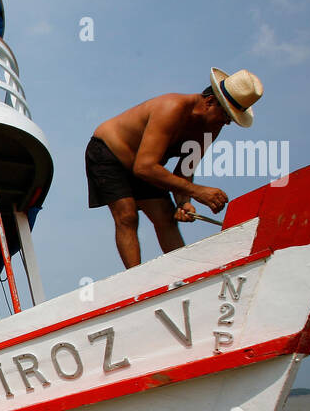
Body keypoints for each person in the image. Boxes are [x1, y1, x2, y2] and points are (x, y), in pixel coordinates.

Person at [88, 67, 264, 268]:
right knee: (127, 215)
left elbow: (184, 172)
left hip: (146, 165)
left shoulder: (211, 130)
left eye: (231, 119)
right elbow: (144, 168)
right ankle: (134, 280)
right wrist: (198, 192)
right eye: (226, 115)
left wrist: (184, 203)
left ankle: (184, 274)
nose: (226, 123)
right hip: (109, 152)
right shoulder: (172, 108)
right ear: (210, 102)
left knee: (166, 215)